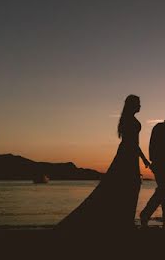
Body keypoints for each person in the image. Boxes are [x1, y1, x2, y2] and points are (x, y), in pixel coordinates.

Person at [57, 94, 150, 229]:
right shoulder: (129, 120)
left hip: (129, 153)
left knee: (128, 186)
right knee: (130, 186)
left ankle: (125, 219)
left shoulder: (129, 119)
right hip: (127, 155)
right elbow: (131, 142)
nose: (140, 106)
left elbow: (134, 142)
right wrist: (142, 158)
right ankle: (126, 221)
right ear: (133, 105)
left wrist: (143, 158)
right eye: (138, 103)